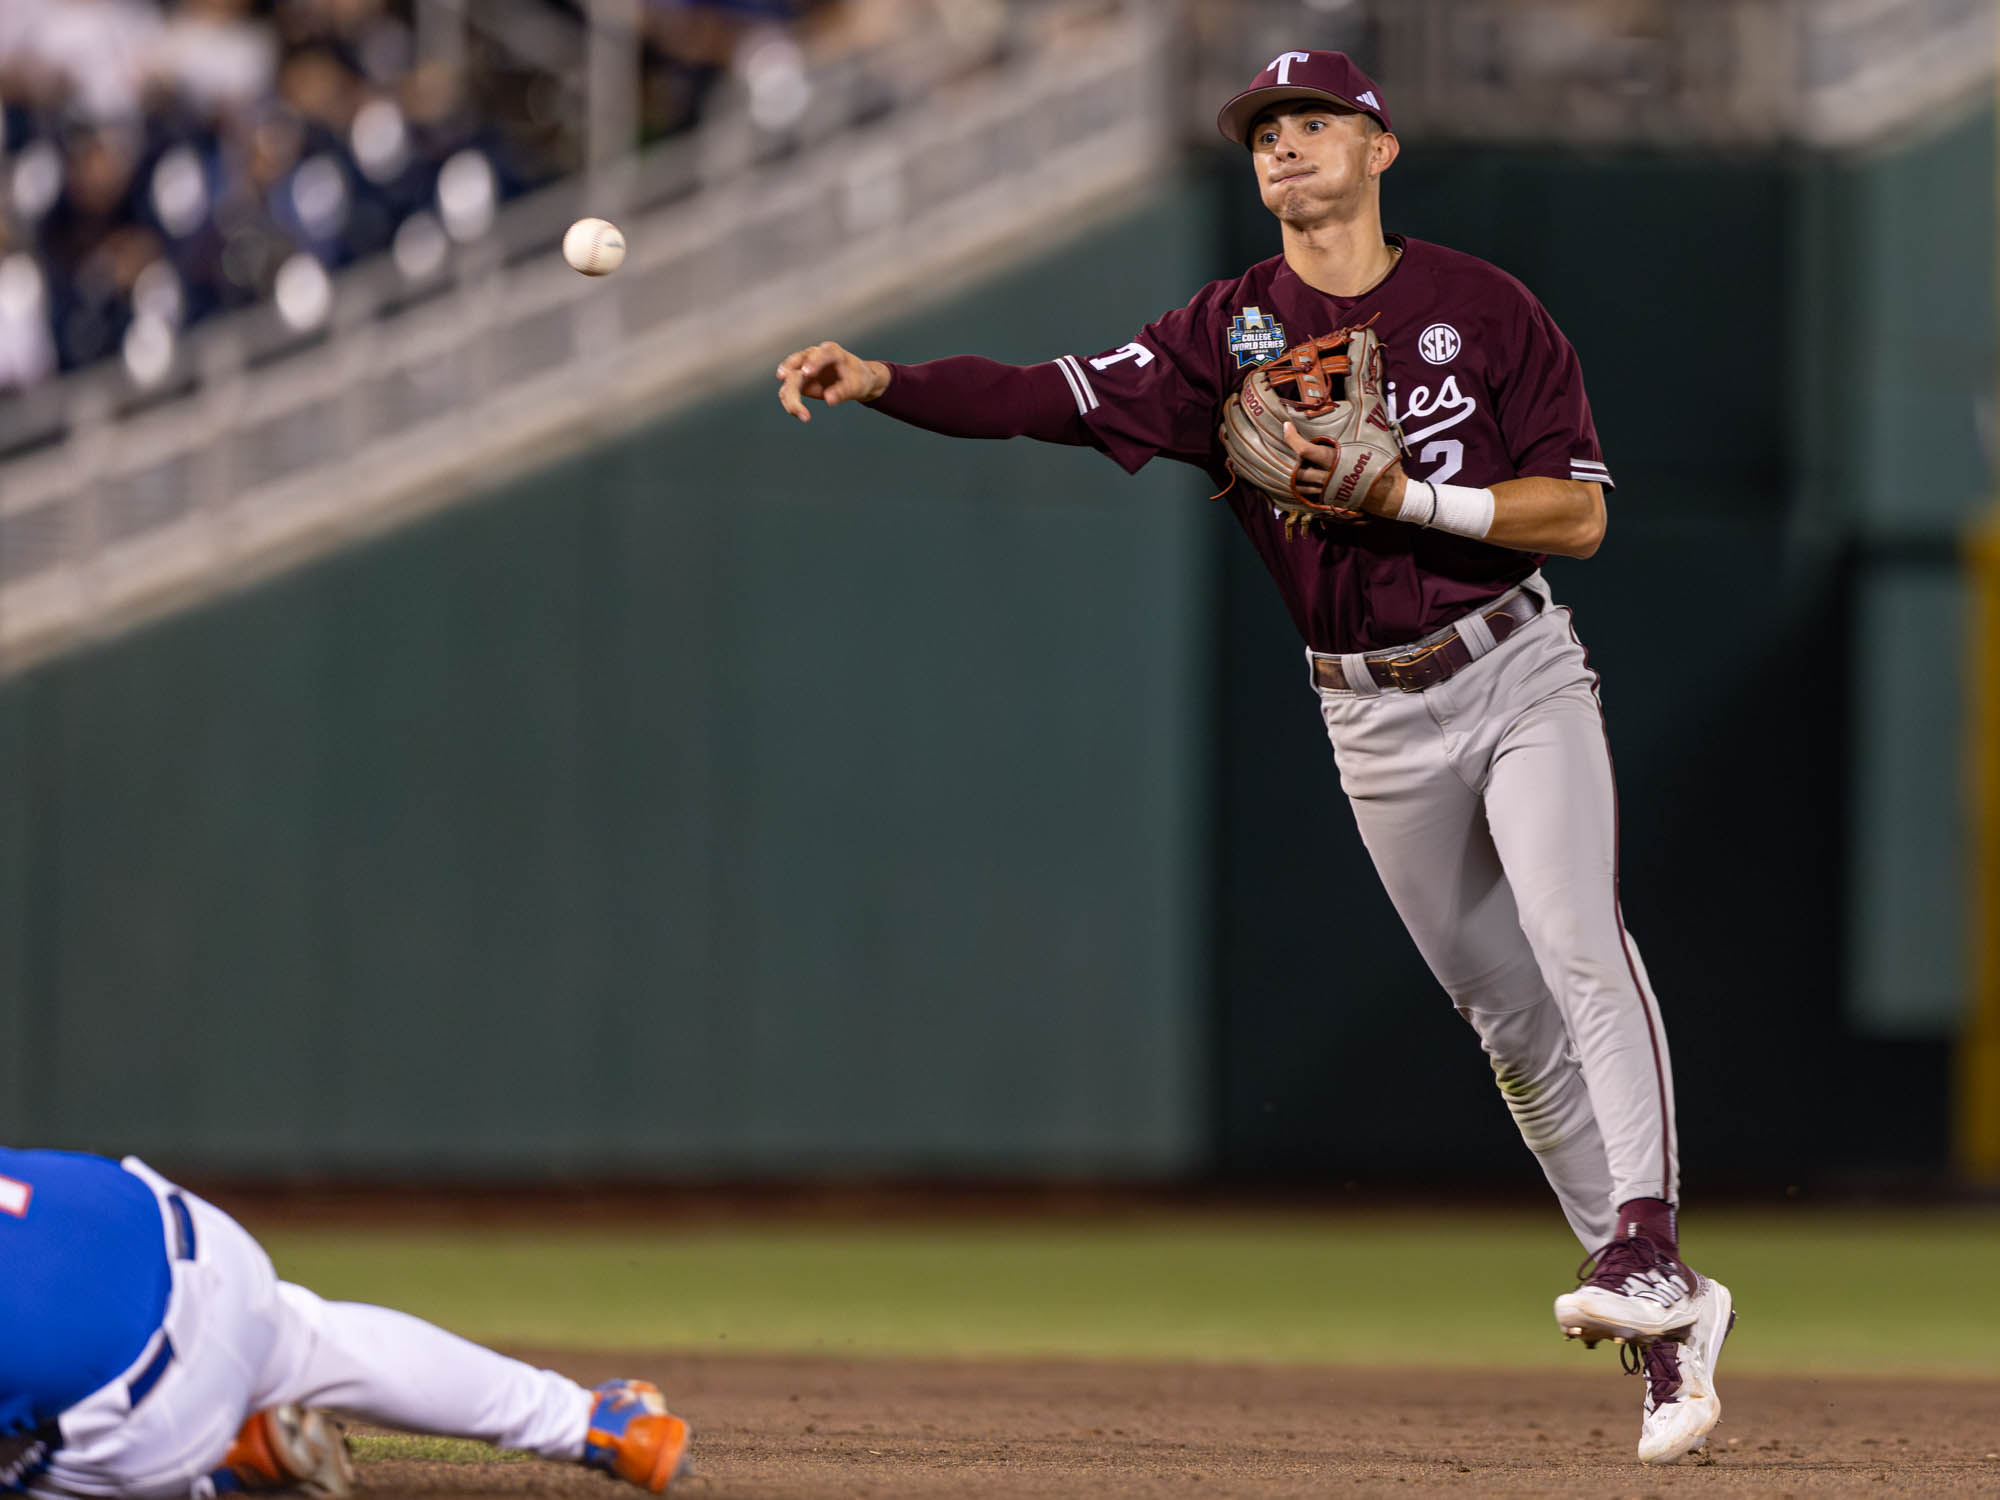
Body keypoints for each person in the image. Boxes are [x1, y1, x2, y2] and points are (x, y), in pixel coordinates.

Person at [774, 49, 1734, 1466]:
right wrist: (885, 381)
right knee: (1513, 1040)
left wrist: (1409, 492)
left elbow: (1576, 520)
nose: (1285, 146)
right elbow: (1048, 393)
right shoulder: (1222, 333)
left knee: (1571, 934)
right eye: (1267, 131)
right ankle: (1668, 1328)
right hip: (1367, 710)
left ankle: (1648, 1242)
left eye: (1315, 124)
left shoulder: (1483, 305)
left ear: (1379, 148)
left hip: (1513, 665)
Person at [0, 1146, 693, 1497]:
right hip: (198, 1239)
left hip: (150, 1411)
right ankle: (601, 1424)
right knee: (312, 1333)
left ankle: (224, 1469)